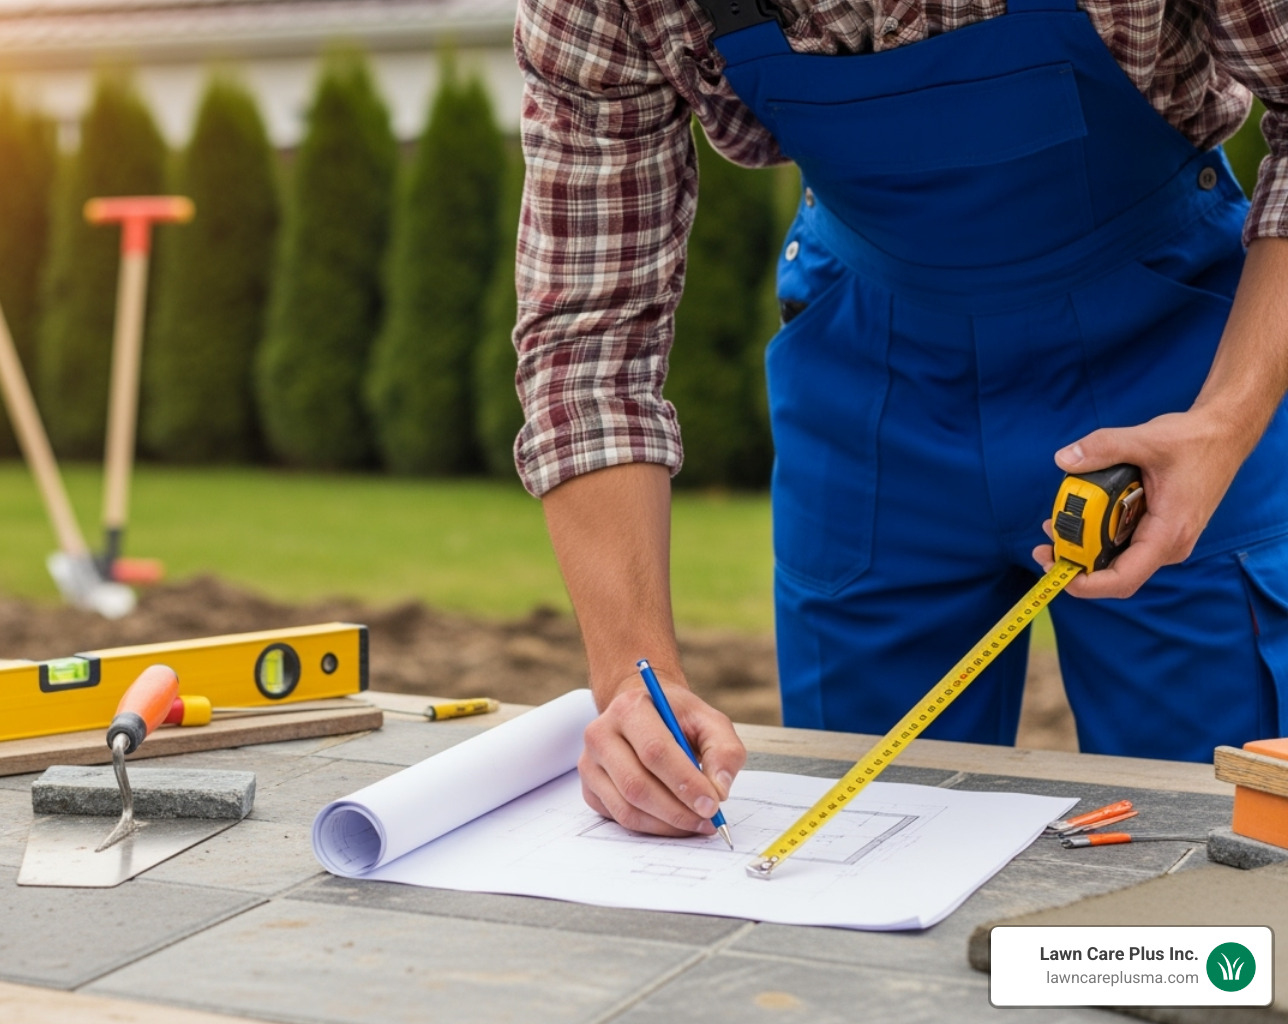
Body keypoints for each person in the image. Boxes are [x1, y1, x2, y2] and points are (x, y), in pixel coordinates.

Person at [512, 0, 1288, 841]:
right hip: (873, 392)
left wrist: (1225, 420)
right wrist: (635, 677)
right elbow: (588, 335)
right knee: (866, 844)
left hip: (1172, 370)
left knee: (1213, 830)